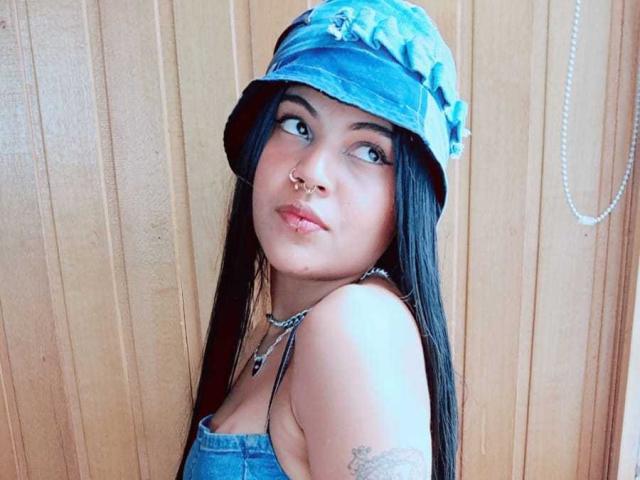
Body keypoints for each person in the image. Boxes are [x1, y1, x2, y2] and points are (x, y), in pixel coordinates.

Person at [176, 0, 469, 478]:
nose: (311, 172)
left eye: (370, 151)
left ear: (407, 201)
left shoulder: (354, 327)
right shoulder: (280, 330)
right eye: (297, 125)